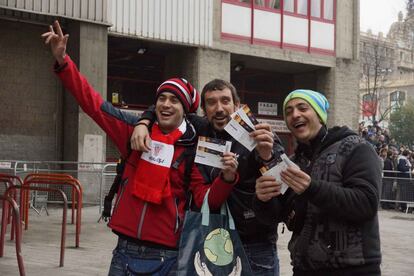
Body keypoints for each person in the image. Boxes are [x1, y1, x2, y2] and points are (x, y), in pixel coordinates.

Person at [41, 20, 239, 275]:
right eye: (162, 99)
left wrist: (227, 178)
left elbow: (205, 200)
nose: (166, 105)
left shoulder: (195, 146)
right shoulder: (133, 131)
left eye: (174, 101)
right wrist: (63, 61)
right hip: (124, 252)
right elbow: (92, 103)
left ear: (186, 110)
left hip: (169, 256)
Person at [132, 79, 282, 275]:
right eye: (211, 102)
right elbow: (167, 106)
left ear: (237, 105)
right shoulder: (201, 130)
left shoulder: (260, 135)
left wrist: (266, 156)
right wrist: (144, 121)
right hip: (213, 241)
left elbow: (283, 183)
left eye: (225, 101)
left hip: (255, 245)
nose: (219, 108)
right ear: (204, 109)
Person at [254, 89, 382, 275]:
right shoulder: (293, 161)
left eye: (302, 108)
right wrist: (262, 199)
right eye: (288, 111)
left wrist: (311, 188)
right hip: (303, 269)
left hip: (354, 269)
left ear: (320, 114)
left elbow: (366, 203)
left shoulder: (356, 148)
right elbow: (277, 216)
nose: (295, 114)